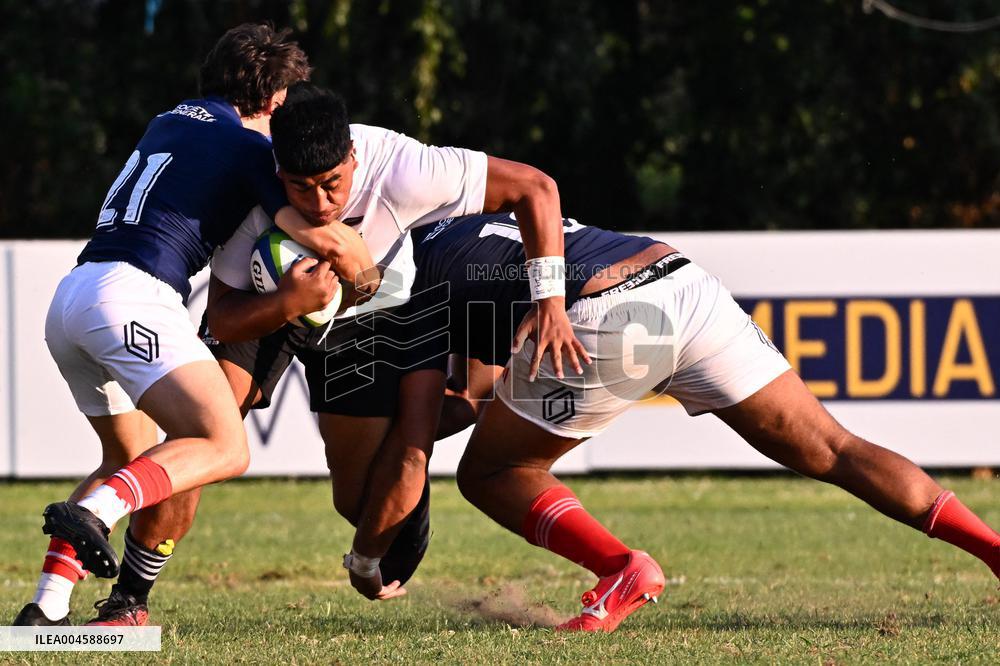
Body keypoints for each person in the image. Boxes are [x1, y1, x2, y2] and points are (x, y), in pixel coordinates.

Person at [77, 79, 584, 622]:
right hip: (268, 303)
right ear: (277, 173)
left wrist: (549, 301)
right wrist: (289, 301)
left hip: (371, 317)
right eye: (299, 188)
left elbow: (537, 188)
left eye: (332, 185)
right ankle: (130, 601)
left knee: (361, 506)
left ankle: (421, 449)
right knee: (202, 434)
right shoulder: (254, 190)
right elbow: (223, 316)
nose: (320, 205)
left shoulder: (405, 169)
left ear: (354, 157)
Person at [352, 212, 1000, 633]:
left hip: (608, 316)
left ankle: (621, 568)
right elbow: (477, 395)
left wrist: (369, 552)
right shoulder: (454, 225)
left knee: (493, 473)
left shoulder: (400, 291)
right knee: (835, 447)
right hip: (679, 282)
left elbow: (415, 443)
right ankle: (991, 549)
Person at [14, 24, 366, 626]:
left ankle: (44, 613)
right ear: (275, 101)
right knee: (224, 444)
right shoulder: (250, 146)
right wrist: (363, 275)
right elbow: (323, 237)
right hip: (132, 296)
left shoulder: (168, 120)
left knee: (129, 458)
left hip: (72, 296)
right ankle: (98, 510)